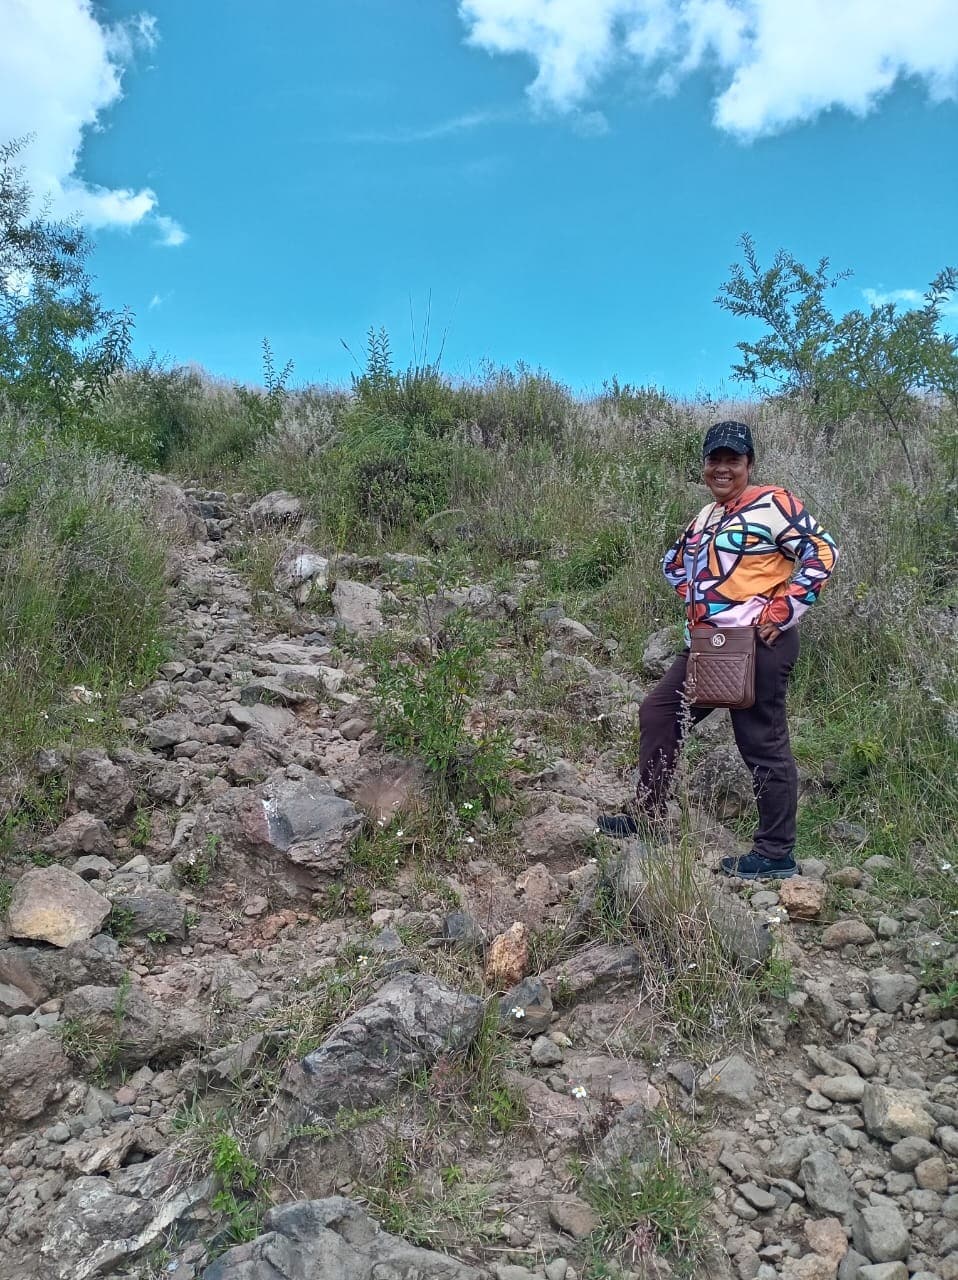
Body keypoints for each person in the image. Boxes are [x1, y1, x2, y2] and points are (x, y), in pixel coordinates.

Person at [598, 420, 838, 879]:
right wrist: (707, 604)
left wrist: (780, 609)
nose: (722, 468)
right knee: (660, 713)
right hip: (711, 646)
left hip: (759, 644)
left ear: (749, 464)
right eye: (715, 459)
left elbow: (822, 552)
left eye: (733, 459)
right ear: (704, 465)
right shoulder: (707, 515)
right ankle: (646, 816)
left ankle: (774, 853)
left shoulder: (774, 504)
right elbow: (673, 564)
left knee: (761, 741)